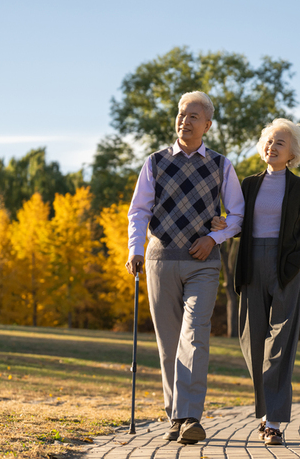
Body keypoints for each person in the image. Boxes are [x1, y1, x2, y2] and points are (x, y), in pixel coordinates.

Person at [125, 91, 244, 445]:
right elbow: (139, 211)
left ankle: (191, 416)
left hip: (202, 264)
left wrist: (214, 238)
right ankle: (174, 416)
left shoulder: (221, 165)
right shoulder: (155, 162)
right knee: (168, 343)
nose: (184, 120)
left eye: (193, 116)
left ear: (207, 124)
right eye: (181, 114)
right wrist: (135, 248)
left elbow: (237, 215)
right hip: (160, 259)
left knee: (195, 336)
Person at [213, 118, 300, 445]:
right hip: (250, 265)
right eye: (269, 141)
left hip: (288, 268)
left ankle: (273, 422)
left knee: (280, 345)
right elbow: (236, 220)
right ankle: (265, 410)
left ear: (293, 153)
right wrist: (223, 224)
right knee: (252, 342)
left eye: (280, 143)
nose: (272, 147)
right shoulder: (247, 184)